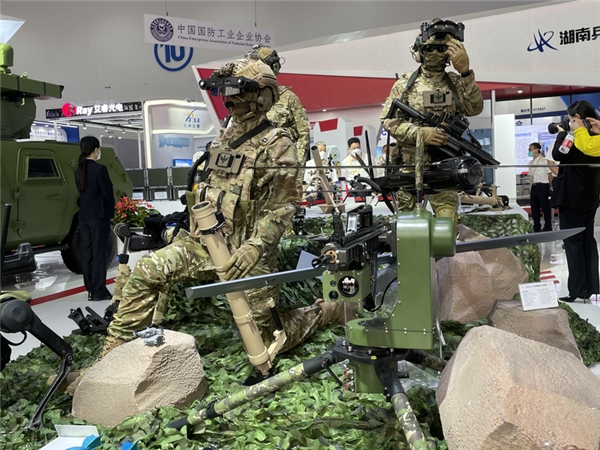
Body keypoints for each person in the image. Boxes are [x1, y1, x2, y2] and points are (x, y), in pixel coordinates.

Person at [58, 59, 348, 394]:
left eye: (241, 94)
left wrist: (255, 246)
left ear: (264, 96)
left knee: (268, 339)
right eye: (228, 94)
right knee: (146, 271)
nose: (232, 101)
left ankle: (327, 310)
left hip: (246, 251)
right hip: (203, 243)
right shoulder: (225, 138)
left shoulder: (278, 144)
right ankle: (106, 367)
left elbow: (283, 206)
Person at [380, 18, 483, 224]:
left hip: (445, 166)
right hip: (410, 168)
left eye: (441, 48)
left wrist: (465, 72)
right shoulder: (405, 85)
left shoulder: (456, 82)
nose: (435, 53)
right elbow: (388, 121)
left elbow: (474, 108)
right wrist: (420, 134)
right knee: (408, 228)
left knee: (447, 224)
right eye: (430, 48)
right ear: (419, 50)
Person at [551, 100, 600, 303]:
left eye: (571, 118)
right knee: (588, 241)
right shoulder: (596, 136)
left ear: (577, 118)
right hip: (591, 196)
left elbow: (557, 154)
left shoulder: (575, 137)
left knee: (573, 242)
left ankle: (577, 290)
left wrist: (562, 133)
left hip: (571, 197)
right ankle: (591, 287)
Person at [247, 45, 311, 165]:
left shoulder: (288, 98)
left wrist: (297, 166)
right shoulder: (246, 98)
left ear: (274, 68)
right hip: (251, 162)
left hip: (279, 163)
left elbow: (303, 133)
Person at [75, 136, 115, 302]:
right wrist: (112, 210)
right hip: (99, 216)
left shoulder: (79, 170)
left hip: (84, 217)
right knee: (100, 254)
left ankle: (91, 289)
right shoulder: (100, 169)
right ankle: (99, 290)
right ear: (96, 150)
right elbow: (107, 193)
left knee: (88, 253)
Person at [528, 142, 553, 232]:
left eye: (530, 149)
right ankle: (536, 225)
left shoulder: (544, 161)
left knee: (545, 207)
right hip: (534, 186)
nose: (529, 151)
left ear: (537, 150)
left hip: (543, 186)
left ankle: (548, 226)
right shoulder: (530, 163)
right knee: (534, 207)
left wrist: (550, 185)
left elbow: (550, 174)